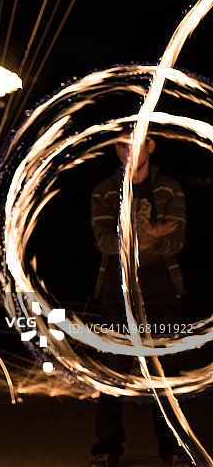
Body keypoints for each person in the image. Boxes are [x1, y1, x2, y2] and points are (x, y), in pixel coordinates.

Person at [89, 133, 192, 467]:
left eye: (134, 143)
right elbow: (106, 243)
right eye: (120, 144)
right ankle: (107, 448)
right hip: (117, 295)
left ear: (151, 146)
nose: (127, 150)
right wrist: (151, 234)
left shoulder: (170, 188)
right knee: (113, 372)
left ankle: (173, 449)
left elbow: (175, 240)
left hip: (162, 293)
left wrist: (133, 238)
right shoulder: (105, 190)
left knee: (166, 375)